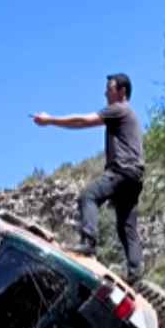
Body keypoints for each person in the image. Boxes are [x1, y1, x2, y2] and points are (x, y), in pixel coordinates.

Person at [32, 72, 145, 282]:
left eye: (109, 88)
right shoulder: (129, 113)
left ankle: (88, 243)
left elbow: (83, 121)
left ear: (122, 92)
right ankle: (136, 274)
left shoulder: (119, 109)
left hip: (122, 170)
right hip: (135, 175)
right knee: (126, 226)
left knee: (88, 196)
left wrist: (50, 120)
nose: (105, 92)